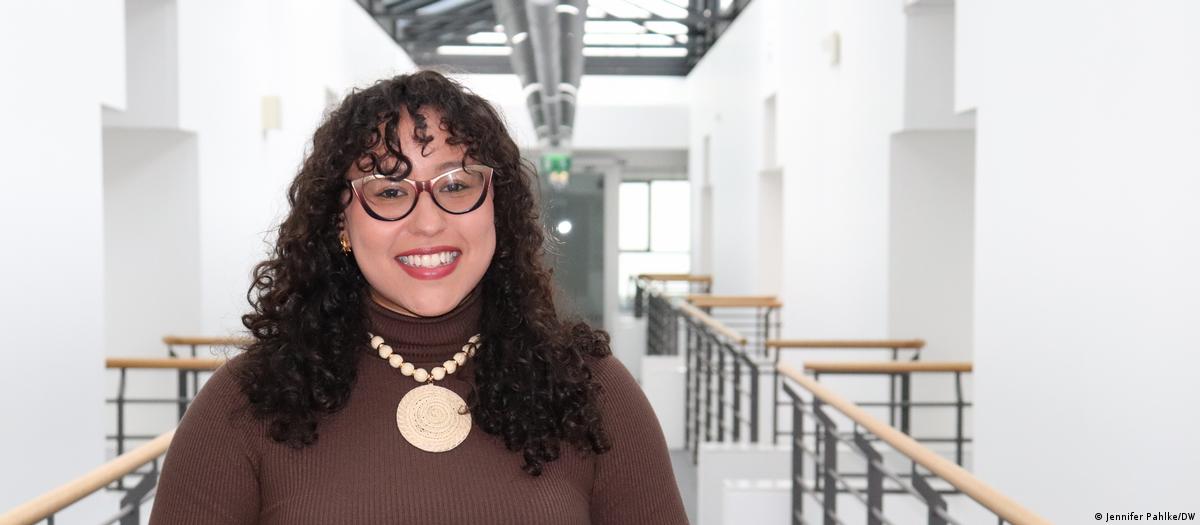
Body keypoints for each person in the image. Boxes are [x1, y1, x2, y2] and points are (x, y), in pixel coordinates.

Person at [148, 70, 688, 524]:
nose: (428, 223)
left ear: (495, 207)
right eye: (389, 191)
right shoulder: (244, 404)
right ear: (340, 221)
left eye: (455, 185)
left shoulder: (592, 390)